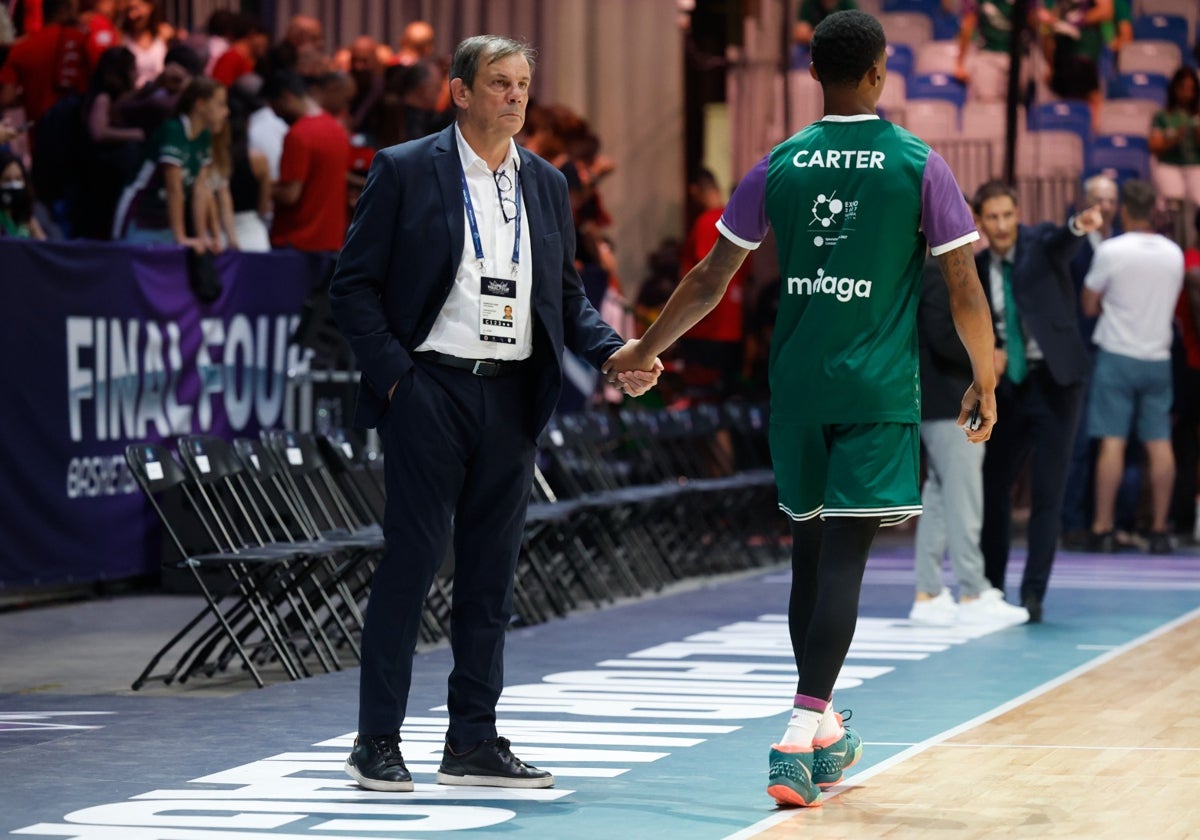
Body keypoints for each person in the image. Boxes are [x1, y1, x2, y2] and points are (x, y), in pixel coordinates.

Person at [606, 10, 997, 808]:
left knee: (809, 556)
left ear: (815, 74)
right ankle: (796, 734)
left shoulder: (776, 164)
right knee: (845, 560)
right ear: (881, 70)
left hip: (798, 392)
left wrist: (646, 347)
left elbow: (711, 277)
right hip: (876, 392)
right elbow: (962, 287)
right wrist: (986, 378)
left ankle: (821, 733)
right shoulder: (919, 163)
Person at [327, 34, 661, 793]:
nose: (515, 97)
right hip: (430, 390)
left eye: (522, 85)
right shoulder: (406, 170)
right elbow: (351, 287)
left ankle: (472, 739)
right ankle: (376, 739)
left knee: (491, 578)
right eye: (500, 84)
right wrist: (397, 383)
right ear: (460, 93)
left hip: (512, 396)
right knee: (411, 568)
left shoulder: (546, 182)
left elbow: (566, 297)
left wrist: (615, 354)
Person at [973, 180, 1103, 624]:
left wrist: (1078, 225)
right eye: (993, 217)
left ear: (1018, 214)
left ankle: (1033, 595)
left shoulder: (1041, 244)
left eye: (1008, 215)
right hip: (1005, 389)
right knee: (993, 487)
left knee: (1048, 493)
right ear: (981, 222)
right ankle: (991, 587)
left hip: (1056, 384)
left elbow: (1062, 237)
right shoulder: (973, 267)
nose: (1003, 225)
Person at [911, 255, 1029, 626]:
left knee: (941, 494)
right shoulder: (933, 272)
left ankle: (928, 593)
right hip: (949, 399)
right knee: (963, 496)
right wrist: (985, 357)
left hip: (941, 399)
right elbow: (941, 333)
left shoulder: (925, 270)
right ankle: (973, 591)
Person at [1081, 180, 1185, 554]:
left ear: (1125, 209)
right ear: (1154, 211)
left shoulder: (1112, 250)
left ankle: (1102, 526)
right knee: (1159, 444)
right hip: (1157, 356)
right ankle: (1159, 528)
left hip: (1117, 354)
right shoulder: (1173, 253)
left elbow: (1089, 305)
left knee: (1113, 442)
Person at [112, 76, 226, 248]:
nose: (226, 111)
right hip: (139, 215)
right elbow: (174, 189)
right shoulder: (173, 130)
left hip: (164, 222)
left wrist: (207, 237)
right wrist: (180, 237)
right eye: (220, 104)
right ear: (200, 104)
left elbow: (201, 189)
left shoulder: (204, 136)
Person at [264, 70, 349, 252]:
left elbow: (290, 194)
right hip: (330, 240)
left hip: (296, 241)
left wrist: (259, 186)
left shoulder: (298, 135)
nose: (276, 114)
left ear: (286, 98)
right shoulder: (336, 128)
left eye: (275, 107)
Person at [1148, 67, 1200, 211]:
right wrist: (1175, 138)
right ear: (1174, 89)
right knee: (1173, 203)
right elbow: (1154, 146)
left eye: (1191, 89)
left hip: (1196, 166)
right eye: (1183, 88)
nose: (1187, 93)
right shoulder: (1162, 116)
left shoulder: (1197, 117)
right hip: (1169, 165)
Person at [0, 150, 46, 238]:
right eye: (6, 180)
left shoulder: (28, 219)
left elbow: (44, 247)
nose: (13, 185)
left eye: (18, 179)